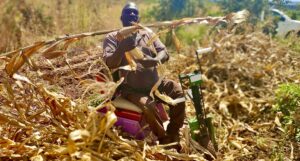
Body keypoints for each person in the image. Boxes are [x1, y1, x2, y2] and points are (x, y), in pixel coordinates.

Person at [102, 2, 185, 146]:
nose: (132, 15)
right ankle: (164, 139)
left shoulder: (147, 34)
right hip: (131, 88)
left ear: (139, 18)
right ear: (122, 18)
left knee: (178, 93)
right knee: (148, 106)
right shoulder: (113, 37)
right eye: (128, 12)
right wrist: (121, 48)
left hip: (155, 83)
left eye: (135, 12)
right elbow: (110, 63)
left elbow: (164, 52)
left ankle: (173, 131)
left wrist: (155, 60)